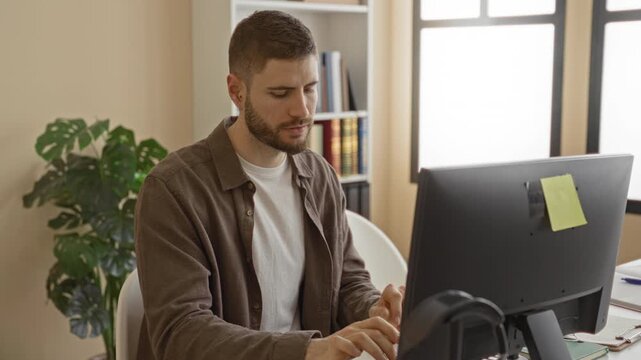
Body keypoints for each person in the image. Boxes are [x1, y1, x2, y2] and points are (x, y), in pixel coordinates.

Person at [135, 10, 404, 360]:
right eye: (281, 93)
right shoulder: (174, 190)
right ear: (237, 91)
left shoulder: (319, 175)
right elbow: (182, 333)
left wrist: (374, 310)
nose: (302, 110)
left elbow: (346, 282)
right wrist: (306, 350)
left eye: (310, 89)